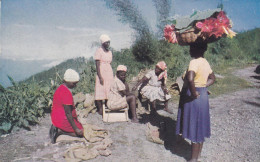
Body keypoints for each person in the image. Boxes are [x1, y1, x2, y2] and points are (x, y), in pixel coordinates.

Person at [175, 43, 216, 162]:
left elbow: (190, 78)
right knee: (200, 125)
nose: (189, 50)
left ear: (196, 49)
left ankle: (193, 159)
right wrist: (203, 86)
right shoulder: (205, 62)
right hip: (202, 96)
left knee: (194, 125)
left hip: (195, 97)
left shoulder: (194, 62)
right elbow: (212, 78)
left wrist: (193, 92)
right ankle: (197, 157)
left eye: (191, 48)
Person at [49, 69, 84, 144]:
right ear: (67, 81)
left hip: (56, 118)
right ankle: (61, 131)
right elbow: (68, 113)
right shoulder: (66, 93)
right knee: (81, 132)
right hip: (62, 119)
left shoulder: (60, 88)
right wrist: (76, 129)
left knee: (80, 126)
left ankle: (58, 128)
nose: (75, 85)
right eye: (74, 83)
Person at [94, 34, 114, 115]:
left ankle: (107, 105)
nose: (108, 44)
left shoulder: (109, 52)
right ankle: (100, 109)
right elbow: (97, 65)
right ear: (102, 43)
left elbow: (110, 63)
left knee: (108, 89)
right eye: (106, 42)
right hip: (101, 71)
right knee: (100, 89)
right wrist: (100, 76)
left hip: (108, 72)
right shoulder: (99, 51)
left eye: (109, 42)